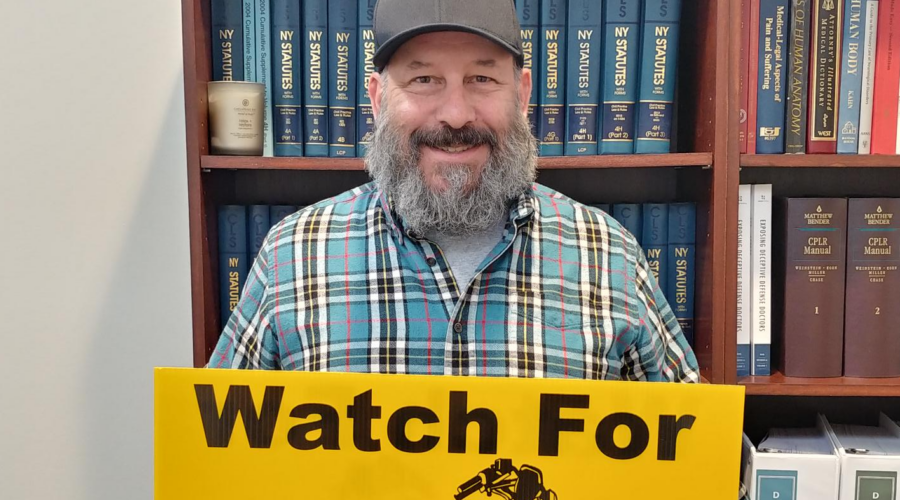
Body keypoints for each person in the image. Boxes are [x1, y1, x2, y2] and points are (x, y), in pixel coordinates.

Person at [208, 0, 699, 382]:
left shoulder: (610, 255)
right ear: (378, 99)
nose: (456, 114)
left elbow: (695, 464)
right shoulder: (292, 255)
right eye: (424, 79)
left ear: (523, 94)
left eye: (481, 78)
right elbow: (217, 465)